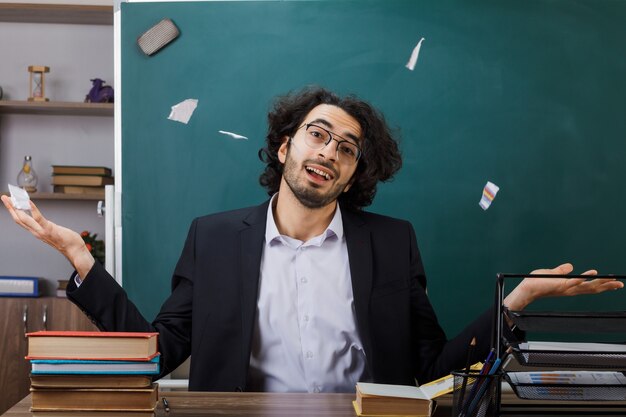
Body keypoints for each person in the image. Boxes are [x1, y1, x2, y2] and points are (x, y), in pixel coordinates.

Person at [2, 86, 622, 393]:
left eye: (348, 149)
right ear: (285, 145)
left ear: (355, 176)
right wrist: (81, 258)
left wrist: (519, 300)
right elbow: (158, 353)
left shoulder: (392, 244)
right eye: (318, 134)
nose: (330, 152)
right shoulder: (214, 239)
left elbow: (432, 366)